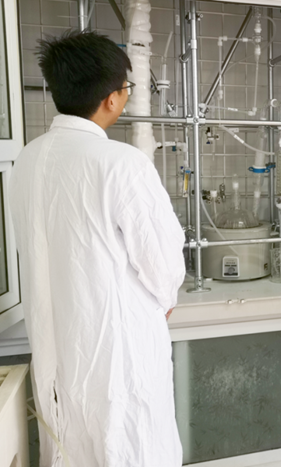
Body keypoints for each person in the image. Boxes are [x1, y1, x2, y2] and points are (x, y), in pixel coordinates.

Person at [9, 31, 185, 467]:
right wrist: (165, 298)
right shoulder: (123, 164)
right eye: (127, 88)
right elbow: (163, 263)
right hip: (117, 353)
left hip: (58, 346)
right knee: (129, 446)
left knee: (71, 447)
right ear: (112, 98)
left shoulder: (26, 160)